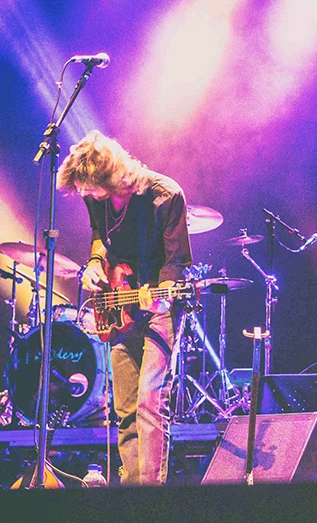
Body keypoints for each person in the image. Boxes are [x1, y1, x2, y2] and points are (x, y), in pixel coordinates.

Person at [57, 130, 192, 485]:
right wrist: (94, 263)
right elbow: (99, 236)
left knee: (150, 400)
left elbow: (176, 261)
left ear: (111, 176)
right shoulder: (96, 199)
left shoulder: (165, 195)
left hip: (158, 307)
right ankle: (130, 493)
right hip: (118, 307)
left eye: (89, 188)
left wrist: (162, 294)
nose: (84, 195)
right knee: (126, 407)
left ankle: (149, 497)